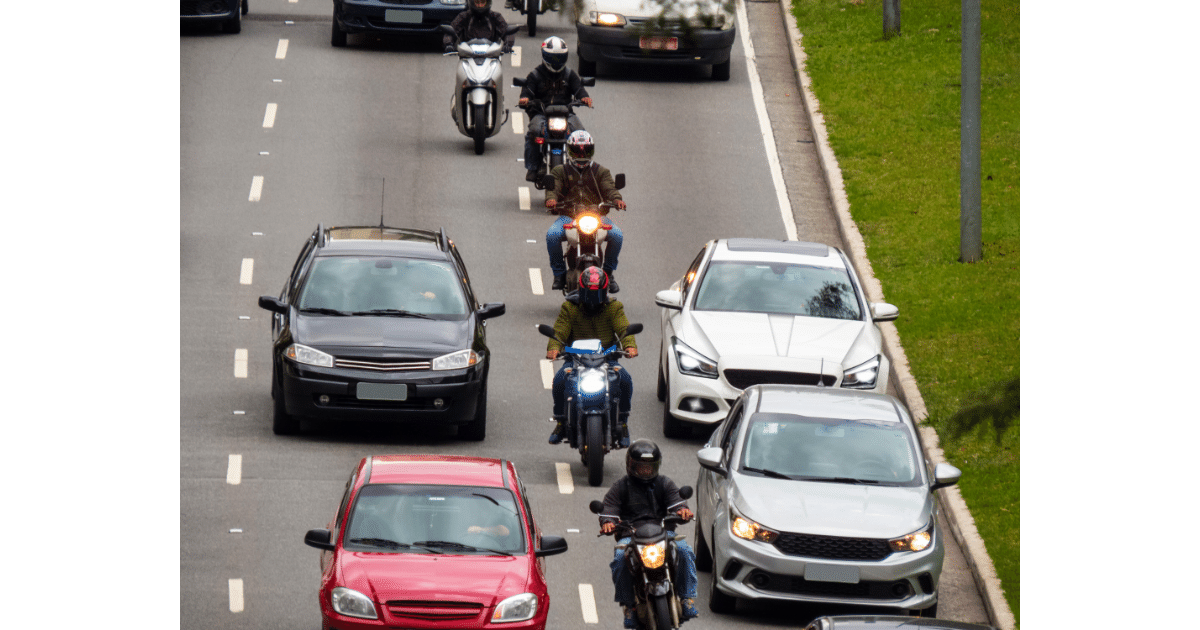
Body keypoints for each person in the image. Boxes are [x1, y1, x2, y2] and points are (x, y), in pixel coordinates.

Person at [597, 440, 700, 629]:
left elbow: (677, 501)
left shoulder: (664, 483)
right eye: (641, 467)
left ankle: (687, 598)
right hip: (631, 535)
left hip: (663, 532)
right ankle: (628, 606)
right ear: (631, 465)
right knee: (620, 558)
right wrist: (609, 523)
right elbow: (609, 510)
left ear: (656, 466)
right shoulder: (620, 487)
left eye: (649, 467)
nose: (645, 471)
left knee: (685, 550)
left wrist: (683, 511)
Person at [545, 267, 636, 446]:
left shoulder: (614, 308)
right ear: (581, 291)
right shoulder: (569, 307)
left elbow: (624, 329)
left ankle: (623, 422)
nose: (593, 299)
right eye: (589, 293)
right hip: (576, 360)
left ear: (605, 291)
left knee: (624, 379)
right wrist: (554, 348)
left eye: (597, 293)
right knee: (559, 381)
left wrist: (630, 345)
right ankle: (561, 421)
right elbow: (560, 331)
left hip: (607, 360)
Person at [545, 130, 626, 292]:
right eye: (577, 150)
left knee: (617, 235)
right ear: (569, 151)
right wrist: (551, 199)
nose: (582, 155)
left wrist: (617, 199)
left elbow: (610, 189)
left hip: (596, 217)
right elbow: (553, 188)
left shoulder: (601, 172)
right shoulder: (560, 171)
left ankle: (609, 273)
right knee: (552, 235)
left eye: (586, 150)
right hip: (569, 217)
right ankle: (559, 274)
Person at [519, 36, 593, 183]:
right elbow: (527, 90)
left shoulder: (569, 74)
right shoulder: (535, 75)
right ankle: (533, 167)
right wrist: (525, 99)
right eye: (553, 57)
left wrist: (585, 97)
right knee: (534, 132)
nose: (556, 61)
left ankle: (582, 166)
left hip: (566, 114)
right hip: (542, 114)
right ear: (545, 56)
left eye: (560, 58)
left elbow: (579, 89)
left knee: (581, 134)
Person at [443, 0, 515, 53]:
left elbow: (506, 31)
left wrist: (508, 44)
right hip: (467, 56)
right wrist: (449, 43)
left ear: (487, 3)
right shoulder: (463, 16)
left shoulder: (495, 16)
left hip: (491, 56)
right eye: (477, 3)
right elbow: (451, 30)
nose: (480, 5)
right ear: (472, 3)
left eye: (482, 2)